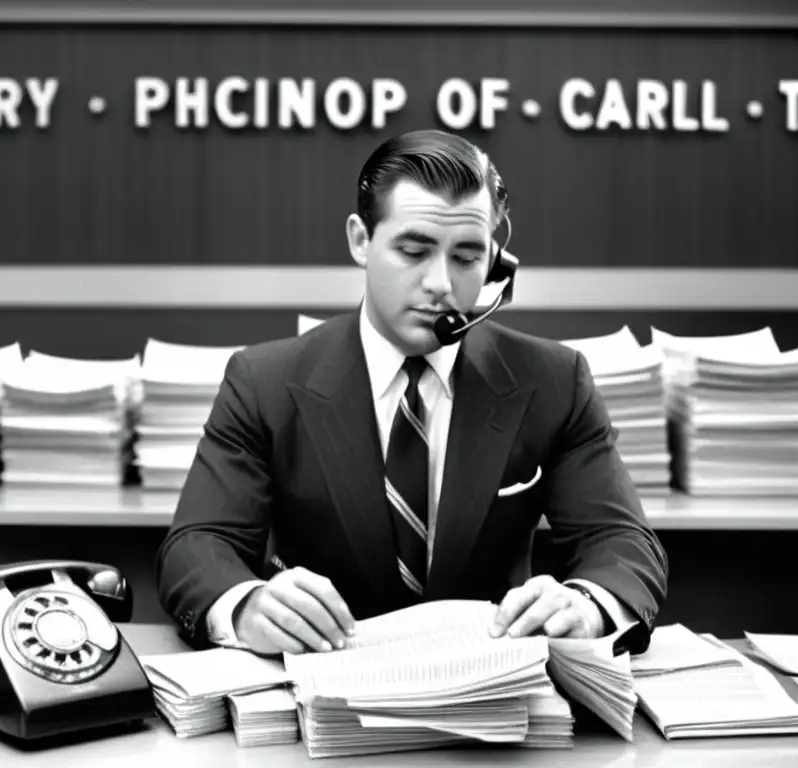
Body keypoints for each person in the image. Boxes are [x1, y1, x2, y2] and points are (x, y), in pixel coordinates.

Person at [154, 129, 668, 658]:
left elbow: (625, 544)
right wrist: (246, 605)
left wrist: (588, 605)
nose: (441, 283)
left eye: (467, 257)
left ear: (496, 264)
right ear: (360, 240)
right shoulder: (263, 382)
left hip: (495, 697)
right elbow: (196, 545)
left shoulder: (555, 382)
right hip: (322, 695)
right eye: (414, 250)